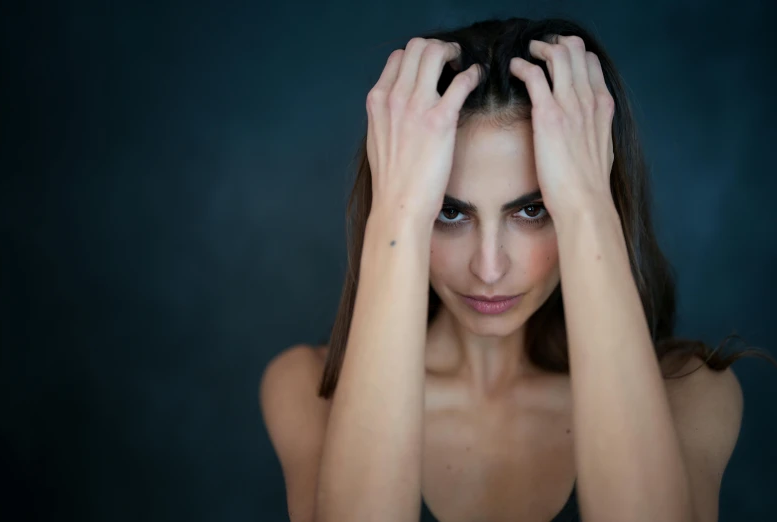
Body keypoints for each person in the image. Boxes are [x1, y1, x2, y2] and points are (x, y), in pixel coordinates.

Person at [259, 16, 777, 522]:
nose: (488, 268)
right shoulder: (306, 389)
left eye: (533, 210)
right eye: (448, 211)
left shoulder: (690, 393)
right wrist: (396, 206)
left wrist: (585, 203)